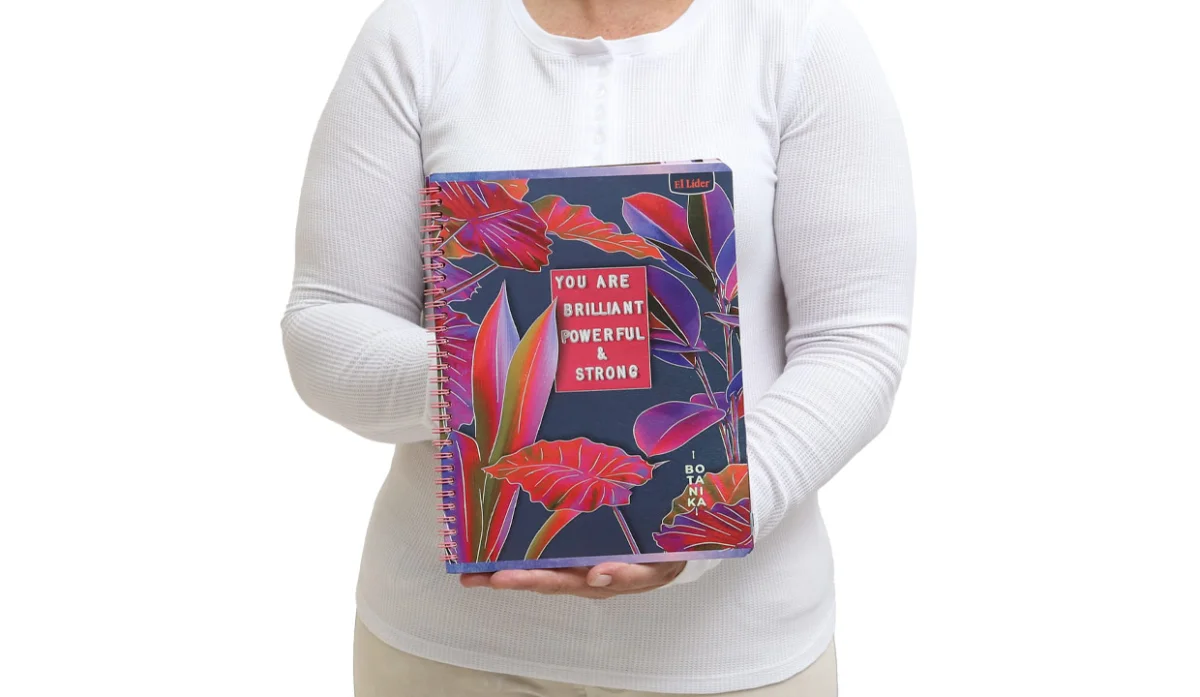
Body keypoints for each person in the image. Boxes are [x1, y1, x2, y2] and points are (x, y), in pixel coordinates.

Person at [282, 0, 915, 694]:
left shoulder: (801, 34)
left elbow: (854, 344)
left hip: (731, 655)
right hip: (447, 650)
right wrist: (495, 388)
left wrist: (709, 518)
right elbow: (328, 321)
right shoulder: (419, 31)